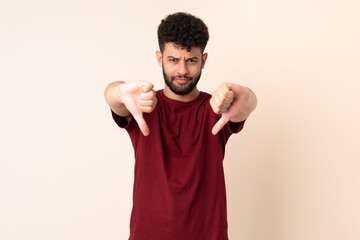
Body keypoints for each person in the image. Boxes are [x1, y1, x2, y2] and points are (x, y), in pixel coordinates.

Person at [104, 12, 257, 240]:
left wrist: (245, 97)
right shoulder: (143, 105)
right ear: (160, 58)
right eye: (173, 60)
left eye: (191, 60)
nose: (182, 71)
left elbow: (246, 105)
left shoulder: (215, 108)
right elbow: (115, 97)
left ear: (203, 60)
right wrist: (117, 90)